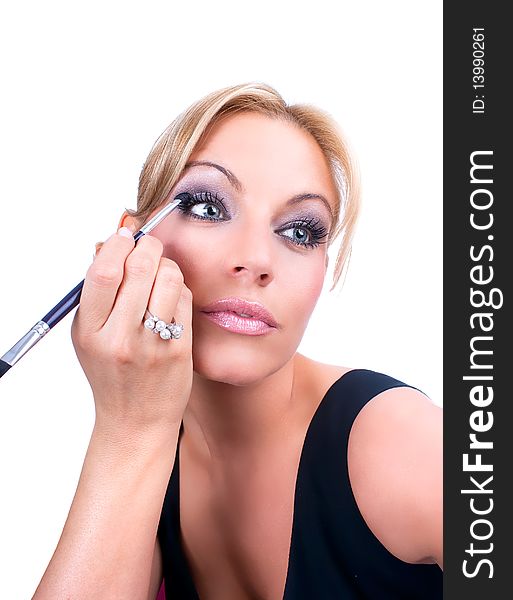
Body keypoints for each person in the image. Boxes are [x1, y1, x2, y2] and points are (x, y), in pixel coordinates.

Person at [33, 82, 442, 599]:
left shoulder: (400, 443)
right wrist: (130, 432)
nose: (256, 260)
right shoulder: (153, 454)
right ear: (129, 246)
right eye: (208, 207)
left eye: (300, 232)